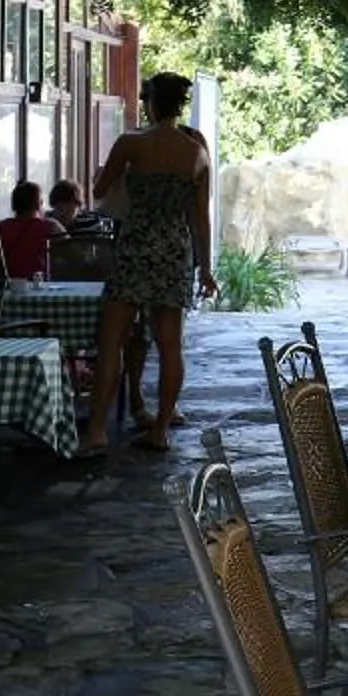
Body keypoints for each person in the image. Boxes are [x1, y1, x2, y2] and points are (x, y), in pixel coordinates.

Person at [84, 72, 219, 453]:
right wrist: (205, 269)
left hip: (135, 248)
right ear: (180, 105)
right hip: (175, 251)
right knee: (171, 345)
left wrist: (127, 173)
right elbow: (200, 217)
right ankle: (160, 429)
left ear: (150, 103)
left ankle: (96, 430)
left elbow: (98, 189)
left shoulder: (131, 143)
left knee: (112, 342)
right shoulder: (196, 153)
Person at [0, 180, 60, 282]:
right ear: (38, 204)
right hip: (39, 286)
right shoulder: (51, 227)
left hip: (5, 288)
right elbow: (72, 253)